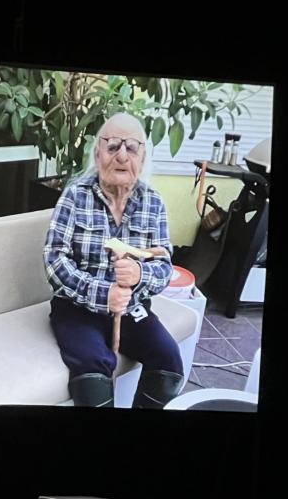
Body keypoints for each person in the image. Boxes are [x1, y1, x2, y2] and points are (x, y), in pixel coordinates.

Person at [43, 113, 184, 409]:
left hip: (131, 309)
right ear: (98, 154)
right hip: (76, 308)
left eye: (131, 147)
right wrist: (103, 293)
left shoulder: (153, 202)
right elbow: (55, 259)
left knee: (168, 359)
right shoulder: (75, 196)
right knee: (95, 364)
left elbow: (164, 267)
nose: (121, 156)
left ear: (142, 158)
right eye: (112, 146)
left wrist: (139, 274)